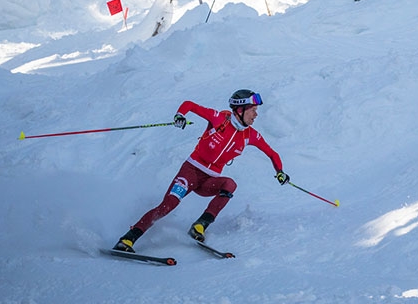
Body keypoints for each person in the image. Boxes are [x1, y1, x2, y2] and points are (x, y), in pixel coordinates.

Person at [113, 90, 289, 252]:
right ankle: (128, 238)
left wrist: (280, 171)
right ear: (240, 109)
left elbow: (272, 153)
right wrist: (180, 115)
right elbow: (189, 104)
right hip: (190, 172)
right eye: (253, 110)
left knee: (230, 185)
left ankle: (200, 226)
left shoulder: (250, 135)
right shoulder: (219, 119)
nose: (256, 115)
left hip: (208, 181)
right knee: (168, 205)